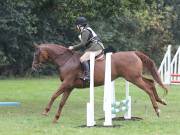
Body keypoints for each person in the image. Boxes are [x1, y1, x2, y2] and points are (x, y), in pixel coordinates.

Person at [68, 16, 104, 81]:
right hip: (95, 46)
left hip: (95, 47)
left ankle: (88, 76)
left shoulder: (85, 31)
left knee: (82, 58)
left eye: (77, 25)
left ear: (79, 25)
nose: (76, 27)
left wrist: (73, 47)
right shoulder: (87, 29)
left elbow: (83, 44)